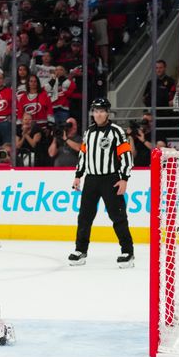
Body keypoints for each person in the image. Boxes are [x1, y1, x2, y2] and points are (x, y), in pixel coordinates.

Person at [69, 98, 134, 268]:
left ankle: (128, 252)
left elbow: (126, 156)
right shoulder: (89, 132)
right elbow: (83, 155)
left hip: (110, 179)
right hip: (91, 179)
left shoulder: (116, 131)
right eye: (95, 111)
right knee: (84, 217)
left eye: (101, 111)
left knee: (118, 216)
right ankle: (80, 250)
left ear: (107, 113)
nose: (98, 114)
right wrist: (78, 175)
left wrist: (124, 179)